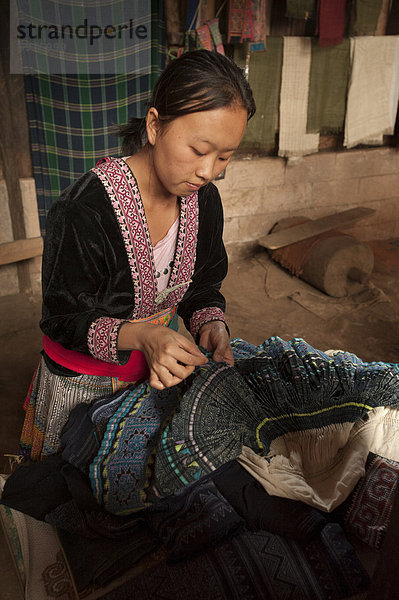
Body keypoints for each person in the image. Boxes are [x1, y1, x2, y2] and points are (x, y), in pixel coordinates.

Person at [20, 49, 256, 460]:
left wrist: (210, 322)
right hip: (82, 384)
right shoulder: (84, 210)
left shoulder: (205, 203)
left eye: (224, 156)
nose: (208, 171)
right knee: (71, 498)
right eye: (199, 149)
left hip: (156, 376)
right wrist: (144, 337)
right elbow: (62, 318)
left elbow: (202, 286)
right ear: (154, 126)